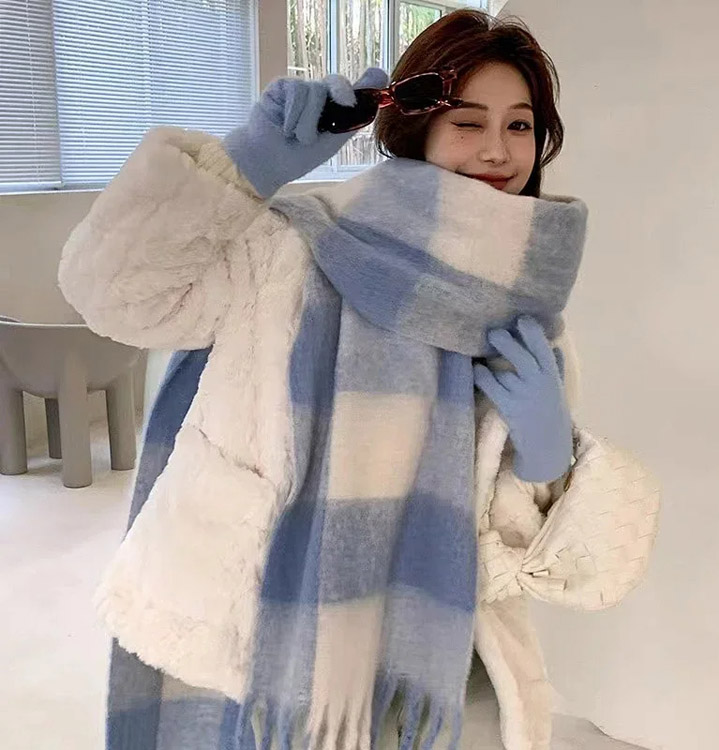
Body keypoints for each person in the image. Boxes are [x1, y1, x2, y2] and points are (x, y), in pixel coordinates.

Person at [58, 9, 659, 750]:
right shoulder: (291, 247)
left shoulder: (523, 308)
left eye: (520, 125)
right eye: (468, 122)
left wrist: (547, 464)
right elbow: (111, 295)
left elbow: (505, 548)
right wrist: (247, 165)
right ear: (418, 127)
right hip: (258, 628)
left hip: (428, 667)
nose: (498, 151)